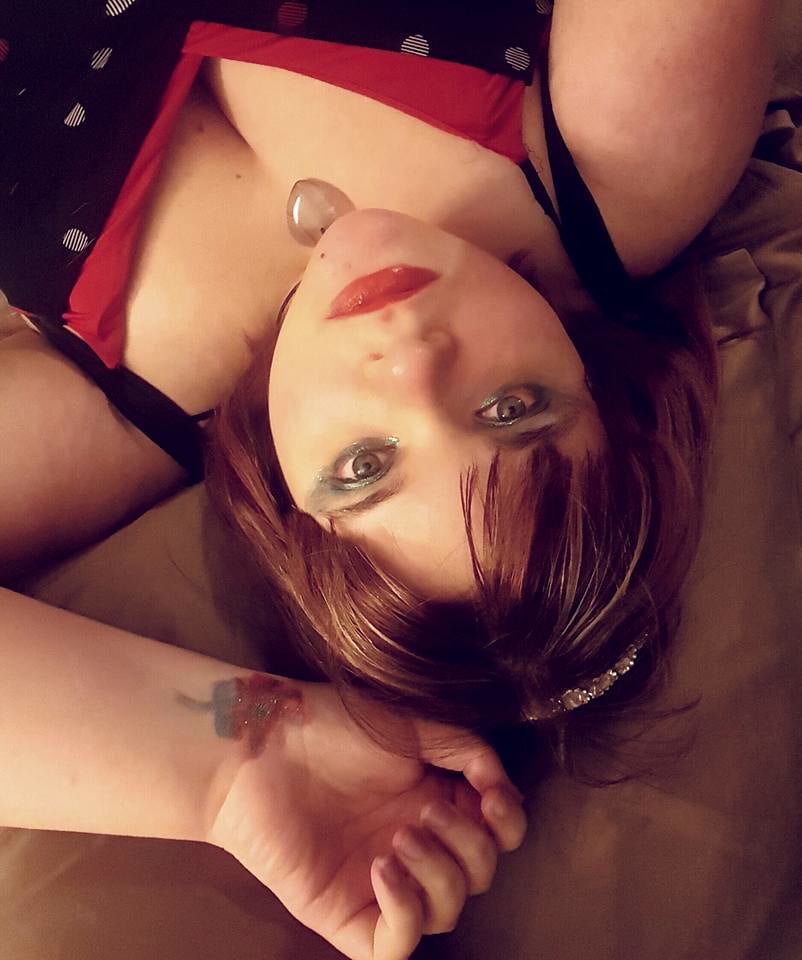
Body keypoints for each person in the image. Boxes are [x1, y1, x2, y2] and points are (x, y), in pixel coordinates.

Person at [0, 1, 781, 957]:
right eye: (512, 408)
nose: (411, 360)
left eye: (364, 467)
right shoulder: (625, 159)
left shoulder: (124, 409)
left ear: (289, 510)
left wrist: (237, 758)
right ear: (600, 390)